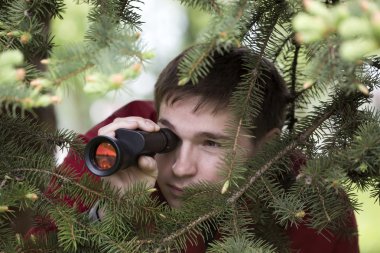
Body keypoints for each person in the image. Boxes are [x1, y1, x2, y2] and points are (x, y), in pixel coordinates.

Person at [31, 47, 359, 252]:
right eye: (169, 138)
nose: (179, 167)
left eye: (212, 143)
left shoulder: (314, 207)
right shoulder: (119, 143)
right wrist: (112, 213)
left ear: (266, 148)